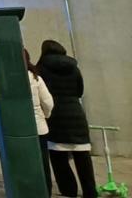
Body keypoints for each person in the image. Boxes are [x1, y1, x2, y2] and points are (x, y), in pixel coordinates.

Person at [38, 40, 96, 198]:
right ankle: (90, 191)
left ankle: (69, 189)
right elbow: (79, 90)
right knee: (83, 155)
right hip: (75, 112)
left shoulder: (41, 68)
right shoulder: (74, 68)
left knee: (58, 157)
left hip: (55, 114)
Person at [25, 48, 55, 194]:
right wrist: (45, 116)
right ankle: (45, 191)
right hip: (38, 127)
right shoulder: (35, 77)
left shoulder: (7, 78)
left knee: (23, 163)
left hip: (16, 130)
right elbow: (48, 102)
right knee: (43, 163)